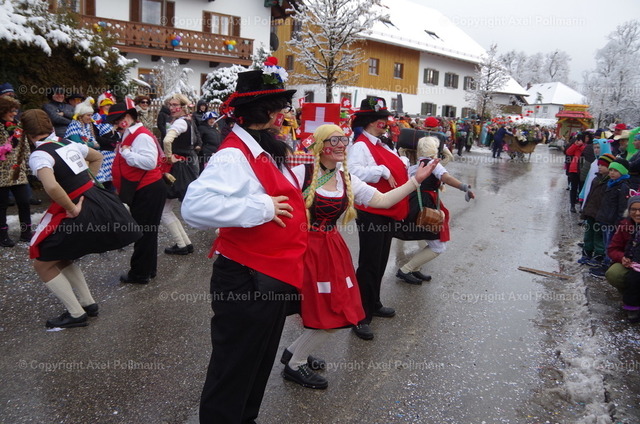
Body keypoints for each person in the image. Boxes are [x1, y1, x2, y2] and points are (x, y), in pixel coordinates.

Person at [181, 68, 305, 424]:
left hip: (268, 277)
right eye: (280, 107)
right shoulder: (233, 154)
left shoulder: (262, 147)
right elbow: (194, 207)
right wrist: (261, 208)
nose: (284, 115)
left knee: (257, 362)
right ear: (265, 111)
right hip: (246, 280)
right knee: (233, 368)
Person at [281, 124, 438, 389]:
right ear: (320, 145)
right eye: (334, 140)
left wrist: (416, 181)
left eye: (344, 140)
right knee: (327, 309)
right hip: (304, 249)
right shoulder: (300, 173)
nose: (342, 145)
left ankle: (295, 353)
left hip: (330, 250)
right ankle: (295, 364)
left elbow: (383, 201)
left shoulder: (346, 178)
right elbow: (276, 203)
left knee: (339, 306)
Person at [24, 109, 141, 328]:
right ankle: (88, 303)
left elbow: (51, 186)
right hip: (96, 199)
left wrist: (71, 208)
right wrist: (87, 182)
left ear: (28, 134)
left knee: (42, 263)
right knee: (59, 255)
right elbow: (96, 156)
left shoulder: (39, 155)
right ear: (50, 127)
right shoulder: (66, 142)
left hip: (80, 208)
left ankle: (76, 313)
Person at [346, 96, 409, 341]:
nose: (386, 122)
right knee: (369, 263)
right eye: (382, 119)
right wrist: (381, 170)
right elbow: (352, 173)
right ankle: (360, 315)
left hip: (386, 210)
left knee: (381, 259)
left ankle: (373, 302)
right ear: (372, 121)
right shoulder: (360, 146)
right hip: (372, 211)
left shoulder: (382, 143)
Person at [394, 136, 475, 284]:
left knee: (431, 240)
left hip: (414, 205)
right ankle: (405, 270)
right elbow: (446, 178)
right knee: (438, 246)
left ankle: (415, 268)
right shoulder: (434, 164)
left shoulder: (415, 165)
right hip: (426, 206)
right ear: (434, 149)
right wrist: (464, 187)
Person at [108, 102, 168, 284]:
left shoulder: (140, 136)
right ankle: (148, 269)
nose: (119, 123)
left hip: (148, 189)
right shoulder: (129, 134)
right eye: (115, 121)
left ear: (131, 116)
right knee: (147, 231)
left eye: (121, 118)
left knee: (143, 232)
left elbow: (149, 162)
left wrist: (127, 154)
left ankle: (140, 274)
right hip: (142, 189)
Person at [161, 93, 199, 255]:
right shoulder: (188, 121)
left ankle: (182, 244)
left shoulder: (180, 123)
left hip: (178, 167)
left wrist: (169, 157)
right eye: (170, 105)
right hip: (186, 164)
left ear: (183, 106)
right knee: (167, 208)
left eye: (175, 105)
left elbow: (166, 140)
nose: (171, 108)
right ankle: (185, 243)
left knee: (164, 210)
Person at [590, 158, 632, 278]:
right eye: (611, 170)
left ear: (622, 172)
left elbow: (622, 208)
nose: (612, 173)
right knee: (606, 243)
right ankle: (605, 262)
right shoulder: (610, 183)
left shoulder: (623, 186)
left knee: (610, 244)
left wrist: (618, 223)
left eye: (615, 170)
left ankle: (608, 266)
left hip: (613, 223)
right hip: (605, 220)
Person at [0, 96, 32, 247]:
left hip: (18, 170)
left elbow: (25, 146)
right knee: (2, 205)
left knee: (24, 202)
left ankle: (26, 233)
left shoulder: (18, 126)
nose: (14, 113)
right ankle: (2, 235)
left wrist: (28, 165)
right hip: (1, 172)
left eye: (15, 110)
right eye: (11, 111)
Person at [577, 153, 614, 267]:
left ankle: (598, 254)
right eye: (599, 165)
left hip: (601, 215)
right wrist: (585, 210)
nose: (600, 167)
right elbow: (589, 196)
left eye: (603, 165)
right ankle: (587, 252)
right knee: (588, 233)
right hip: (591, 212)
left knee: (598, 235)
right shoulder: (595, 179)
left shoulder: (610, 183)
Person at [565, 135, 586, 213]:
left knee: (582, 188)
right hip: (574, 169)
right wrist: (575, 145)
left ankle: (581, 205)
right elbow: (568, 152)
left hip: (583, 170)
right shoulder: (575, 146)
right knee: (573, 188)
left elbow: (585, 152)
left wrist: (581, 146)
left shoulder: (586, 147)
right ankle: (572, 205)